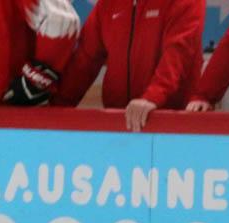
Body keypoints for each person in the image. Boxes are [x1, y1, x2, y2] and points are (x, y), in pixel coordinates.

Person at [53, 0, 204, 131]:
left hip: (171, 124)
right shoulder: (108, 4)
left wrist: (153, 96)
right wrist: (56, 105)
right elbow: (84, 60)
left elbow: (179, 52)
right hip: (118, 124)